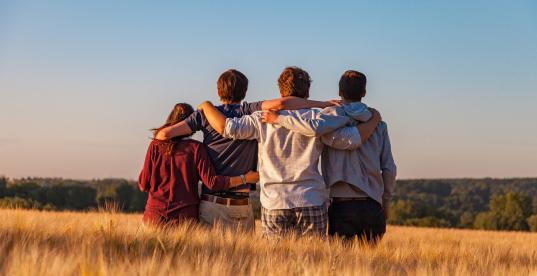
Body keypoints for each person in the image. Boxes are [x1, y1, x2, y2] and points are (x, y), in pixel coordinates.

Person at [198, 67, 381, 237]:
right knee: (314, 265)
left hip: (274, 201)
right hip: (311, 199)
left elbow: (228, 128)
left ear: (280, 90)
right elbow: (349, 140)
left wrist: (206, 106)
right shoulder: (319, 117)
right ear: (307, 92)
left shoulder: (261, 118)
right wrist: (373, 120)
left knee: (275, 264)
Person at [154, 69, 335, 231]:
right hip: (242, 203)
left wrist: (194, 146)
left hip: (212, 203)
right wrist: (323, 104)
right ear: (245, 91)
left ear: (218, 91)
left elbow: (163, 135)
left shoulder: (203, 115)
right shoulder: (249, 111)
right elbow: (281, 104)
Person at [263, 70, 396, 243]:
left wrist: (279, 119)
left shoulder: (328, 120)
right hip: (373, 205)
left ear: (339, 92)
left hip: (341, 206)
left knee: (339, 266)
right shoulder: (379, 125)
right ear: (364, 93)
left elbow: (313, 128)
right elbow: (389, 168)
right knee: (372, 268)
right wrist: (385, 203)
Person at [138, 103, 259, 227]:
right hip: (184, 219)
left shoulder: (155, 145)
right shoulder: (196, 148)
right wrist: (245, 178)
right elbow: (212, 182)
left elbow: (143, 184)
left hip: (154, 216)